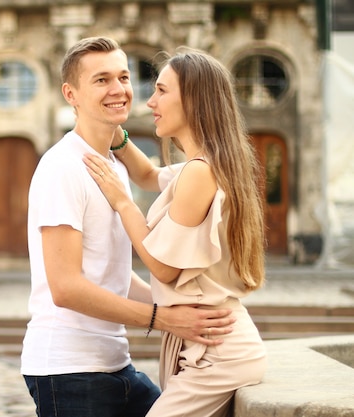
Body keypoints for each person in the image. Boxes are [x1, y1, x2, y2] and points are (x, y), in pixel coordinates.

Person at [21, 36, 237, 417]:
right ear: (70, 94)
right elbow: (66, 288)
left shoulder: (113, 167)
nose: (119, 89)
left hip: (115, 364)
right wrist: (165, 319)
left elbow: (114, 275)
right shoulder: (63, 168)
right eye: (101, 80)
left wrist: (189, 310)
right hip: (68, 370)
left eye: (124, 77)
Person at [83, 47, 267, 417]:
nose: (151, 101)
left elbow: (165, 268)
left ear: (195, 101)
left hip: (218, 354)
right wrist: (112, 132)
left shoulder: (201, 172)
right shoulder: (205, 166)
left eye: (162, 91)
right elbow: (149, 176)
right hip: (211, 344)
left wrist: (123, 203)